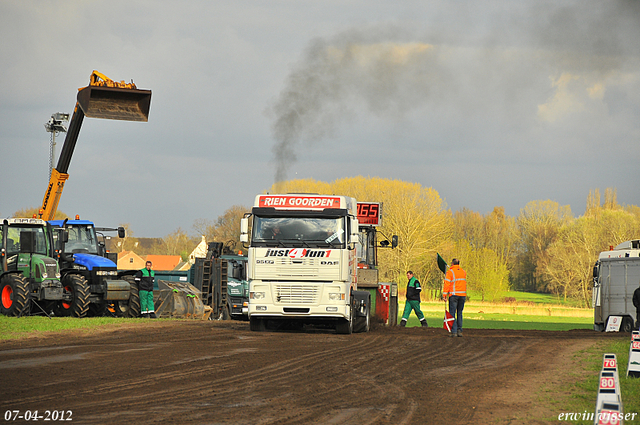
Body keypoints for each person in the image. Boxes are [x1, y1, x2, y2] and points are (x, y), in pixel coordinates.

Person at [443, 259, 467, 337]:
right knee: (459, 312)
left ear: (452, 263)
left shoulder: (450, 272)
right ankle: (459, 330)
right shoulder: (463, 272)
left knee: (452, 313)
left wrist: (444, 295)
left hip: (454, 295)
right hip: (462, 295)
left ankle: (454, 332)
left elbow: (447, 284)